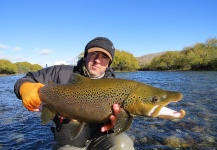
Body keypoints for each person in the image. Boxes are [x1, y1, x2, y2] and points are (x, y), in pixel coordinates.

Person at [14, 37, 135, 150]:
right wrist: (25, 88)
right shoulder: (60, 72)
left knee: (123, 145)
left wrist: (117, 123)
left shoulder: (115, 85)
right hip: (67, 128)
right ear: (86, 55)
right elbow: (27, 79)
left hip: (101, 132)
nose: (97, 60)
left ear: (109, 62)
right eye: (93, 53)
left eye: (104, 57)